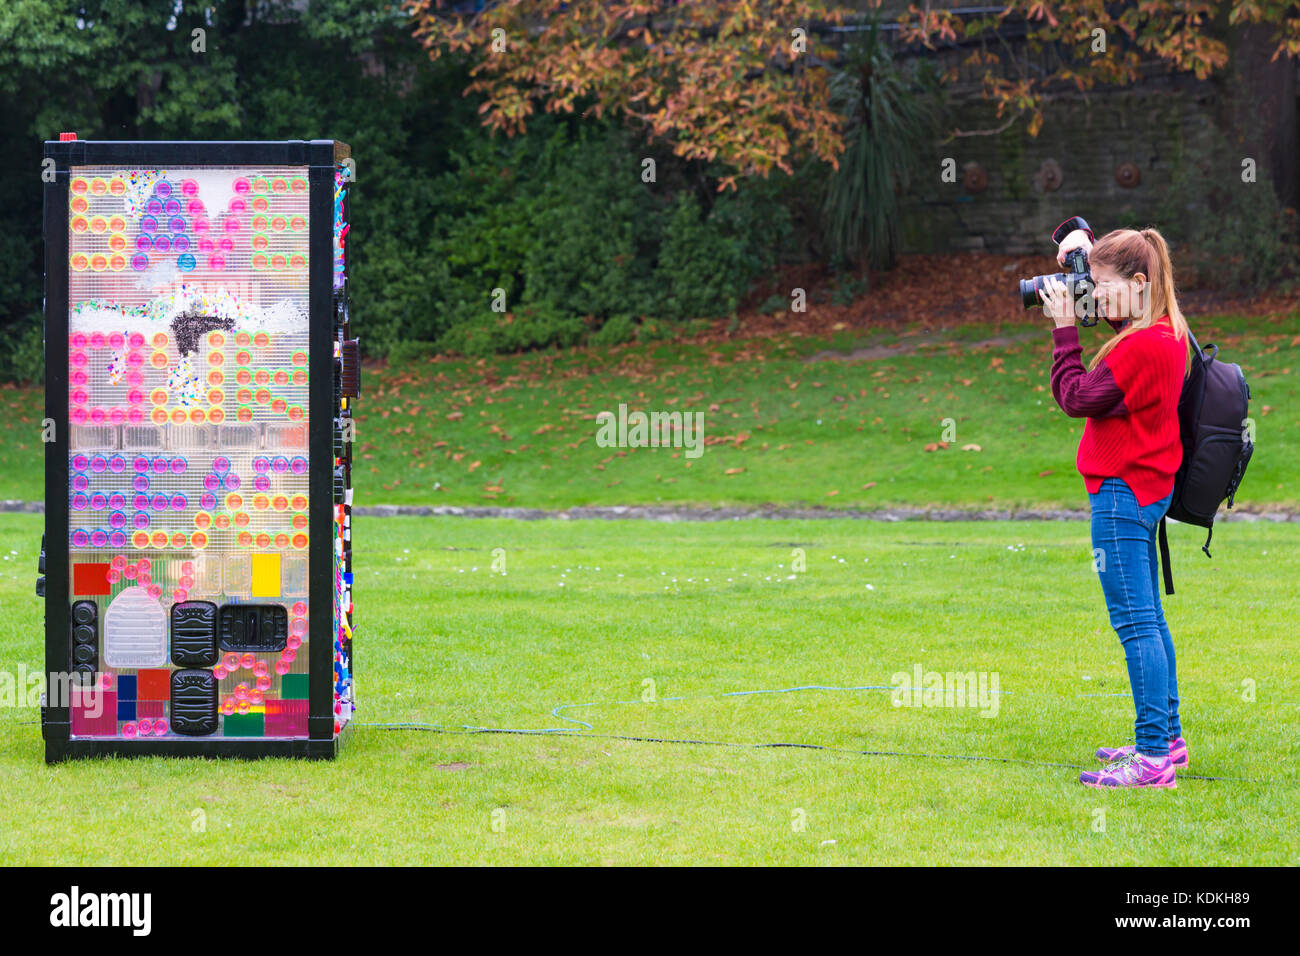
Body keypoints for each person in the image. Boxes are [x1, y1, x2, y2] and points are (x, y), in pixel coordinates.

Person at [1041, 223, 1192, 789]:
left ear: (1138, 281)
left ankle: (1152, 757)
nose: (1093, 298)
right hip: (1146, 489)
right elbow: (1120, 319)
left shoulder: (1141, 347)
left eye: (1101, 287)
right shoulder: (1164, 331)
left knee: (1135, 625)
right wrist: (1084, 255)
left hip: (1122, 494)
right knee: (1149, 618)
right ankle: (1168, 740)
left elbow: (1075, 397)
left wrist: (1063, 331)